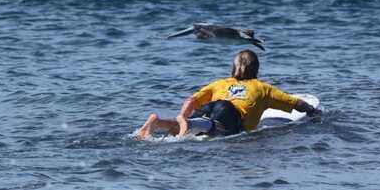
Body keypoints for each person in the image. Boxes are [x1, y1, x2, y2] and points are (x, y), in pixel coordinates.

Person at [136, 50, 320, 139]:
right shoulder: (263, 89)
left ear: (233, 68)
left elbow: (191, 100)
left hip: (212, 107)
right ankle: (176, 123)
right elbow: (297, 103)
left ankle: (158, 122)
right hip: (228, 114)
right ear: (256, 68)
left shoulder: (220, 83)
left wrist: (183, 115)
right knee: (213, 125)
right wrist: (313, 112)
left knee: (190, 125)